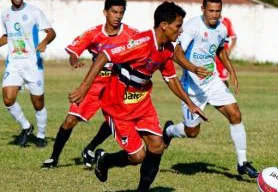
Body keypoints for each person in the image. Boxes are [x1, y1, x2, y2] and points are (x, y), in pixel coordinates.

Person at [69, 2, 207, 191]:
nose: (181, 30)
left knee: (157, 146)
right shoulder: (141, 42)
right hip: (116, 105)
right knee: (137, 156)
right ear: (164, 25)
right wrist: (85, 87)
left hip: (141, 103)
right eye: (178, 25)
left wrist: (190, 103)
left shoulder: (167, 50)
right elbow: (104, 56)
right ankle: (106, 160)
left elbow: (171, 79)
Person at [162, 0, 258, 178]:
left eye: (218, 11)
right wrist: (193, 68)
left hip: (212, 82)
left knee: (235, 114)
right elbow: (176, 53)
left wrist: (231, 70)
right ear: (203, 9)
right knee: (192, 132)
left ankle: (242, 162)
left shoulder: (222, 28)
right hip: (192, 88)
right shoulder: (192, 26)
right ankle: (168, 131)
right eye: (211, 11)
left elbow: (220, 49)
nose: (214, 14)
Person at [42, 0, 138, 169]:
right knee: (70, 120)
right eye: (114, 12)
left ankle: (91, 148)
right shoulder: (93, 34)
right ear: (105, 12)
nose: (118, 16)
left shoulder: (131, 34)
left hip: (117, 87)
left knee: (113, 121)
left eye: (121, 13)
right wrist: (74, 60)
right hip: (93, 85)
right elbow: (73, 51)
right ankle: (53, 158)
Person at [0, 0, 56, 147]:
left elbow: (51, 32)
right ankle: (26, 126)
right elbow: (7, 36)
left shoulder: (34, 11)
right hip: (13, 64)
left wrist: (44, 43)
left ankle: (41, 135)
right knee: (7, 99)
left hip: (32, 65)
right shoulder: (5, 14)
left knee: (38, 103)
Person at [215, 16, 237, 86]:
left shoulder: (226, 21)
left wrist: (229, 51)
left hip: (222, 56)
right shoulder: (207, 21)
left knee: (223, 80)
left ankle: (224, 96)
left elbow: (234, 38)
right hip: (211, 55)